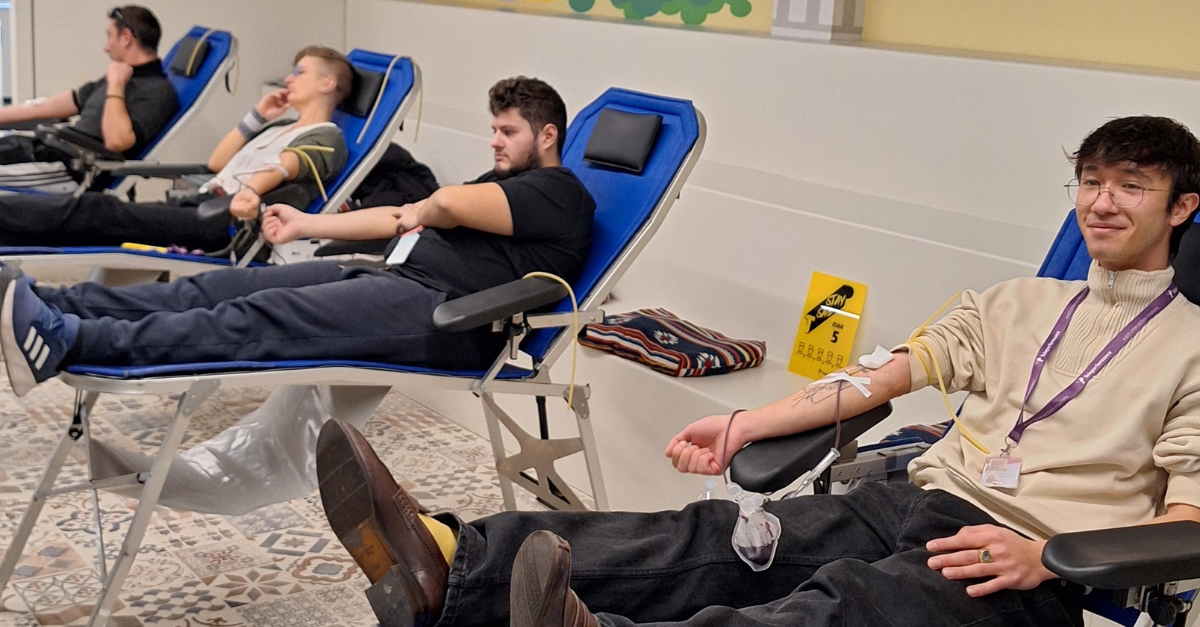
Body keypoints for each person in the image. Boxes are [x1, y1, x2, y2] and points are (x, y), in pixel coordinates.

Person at [312, 115, 1200, 627]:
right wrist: (745, 423)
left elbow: (1189, 518)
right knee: (711, 541)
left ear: (1183, 206)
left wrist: (1046, 556)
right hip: (914, 499)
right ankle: (449, 562)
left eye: (1129, 186)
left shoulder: (1192, 347)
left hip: (1021, 560)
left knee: (841, 606)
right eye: (1090, 182)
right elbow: (874, 379)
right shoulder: (1016, 301)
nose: (1100, 203)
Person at [0, 76, 594, 399]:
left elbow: (438, 204)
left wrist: (432, 209)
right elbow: (401, 218)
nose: (494, 141)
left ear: (547, 136)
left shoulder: (560, 193)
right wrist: (307, 225)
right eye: (493, 129)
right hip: (396, 276)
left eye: (507, 132)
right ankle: (58, 304)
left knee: (261, 317)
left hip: (447, 316)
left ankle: (70, 339)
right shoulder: (503, 183)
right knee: (222, 288)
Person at [0, 45, 351, 252]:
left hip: (225, 222)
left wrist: (250, 191)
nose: (288, 79)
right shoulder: (279, 127)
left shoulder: (328, 137)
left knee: (98, 211)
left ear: (327, 82)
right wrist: (256, 116)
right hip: (204, 203)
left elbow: (285, 166)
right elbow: (217, 163)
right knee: (96, 219)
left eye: (299, 73)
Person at [0, 5, 177, 162]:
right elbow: (48, 107)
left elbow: (116, 141)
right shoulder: (120, 77)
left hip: (73, 168)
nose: (106, 47)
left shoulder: (158, 91)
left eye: (110, 37)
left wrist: (116, 85)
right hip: (47, 151)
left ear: (125, 37)